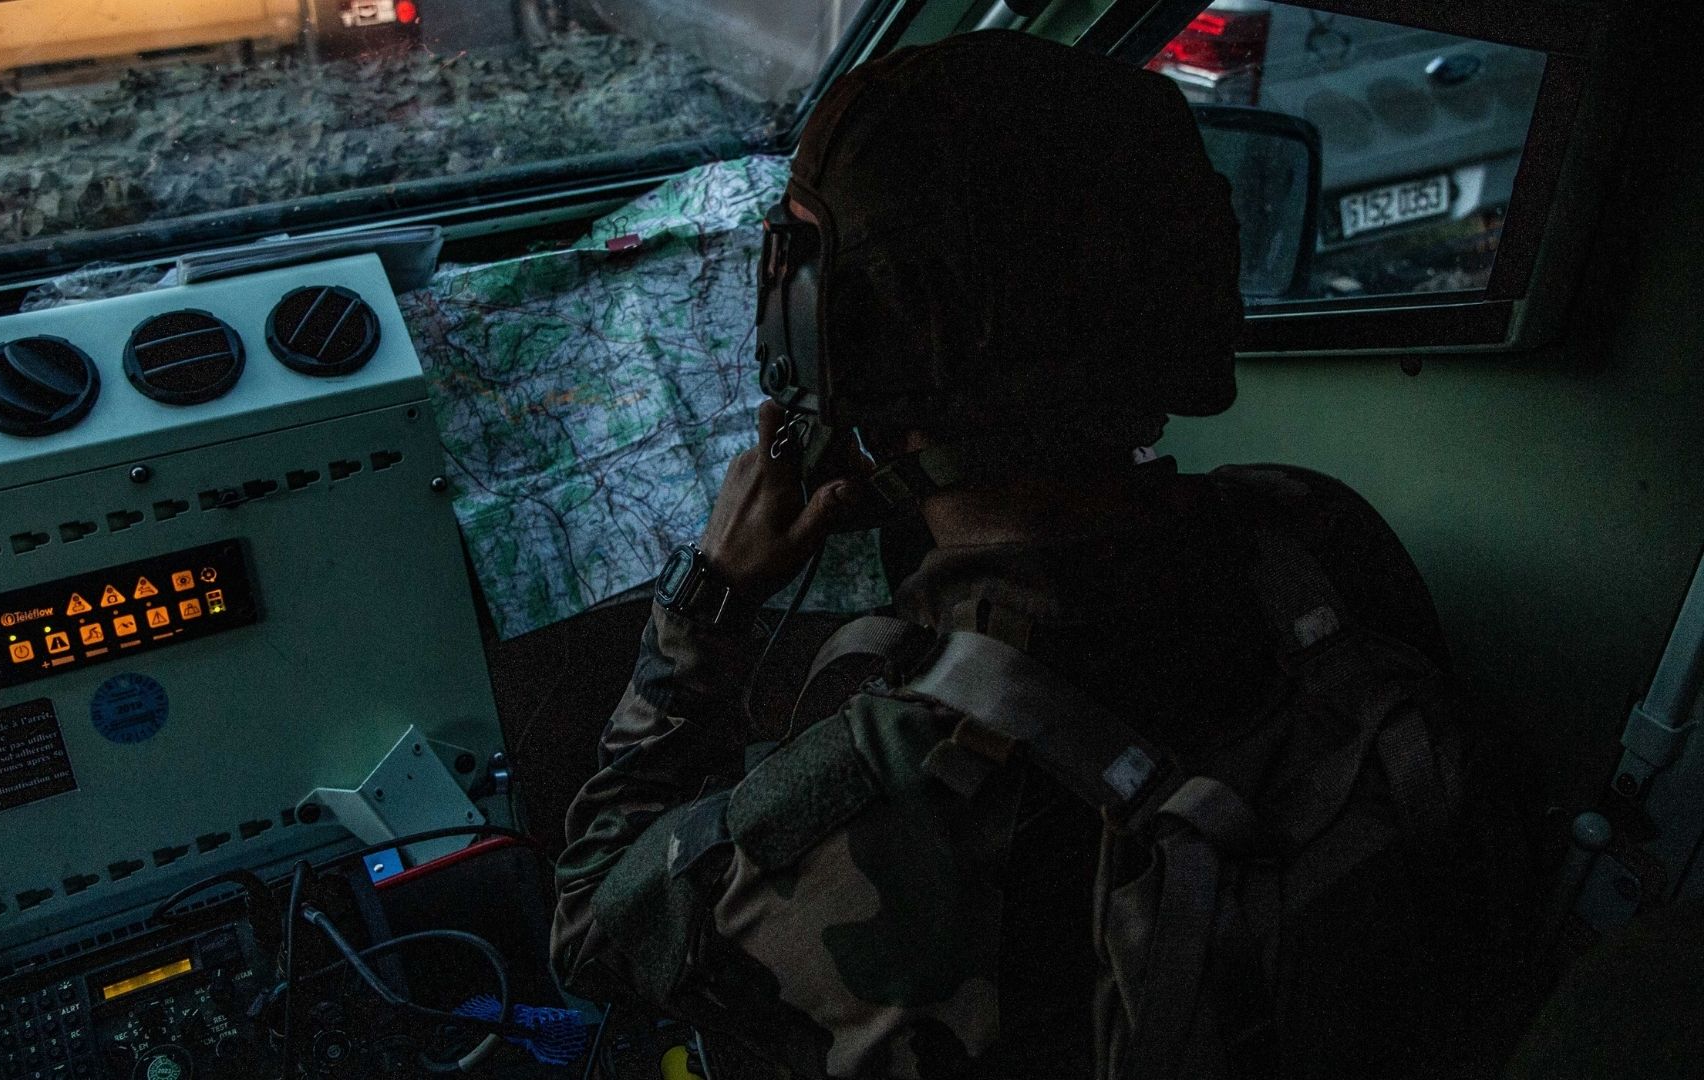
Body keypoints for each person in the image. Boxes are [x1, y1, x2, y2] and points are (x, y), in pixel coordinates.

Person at [551, 30, 1481, 1080]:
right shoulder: (1314, 539)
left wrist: (706, 603)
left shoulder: (883, 794)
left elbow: (590, 926)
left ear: (830, 329)